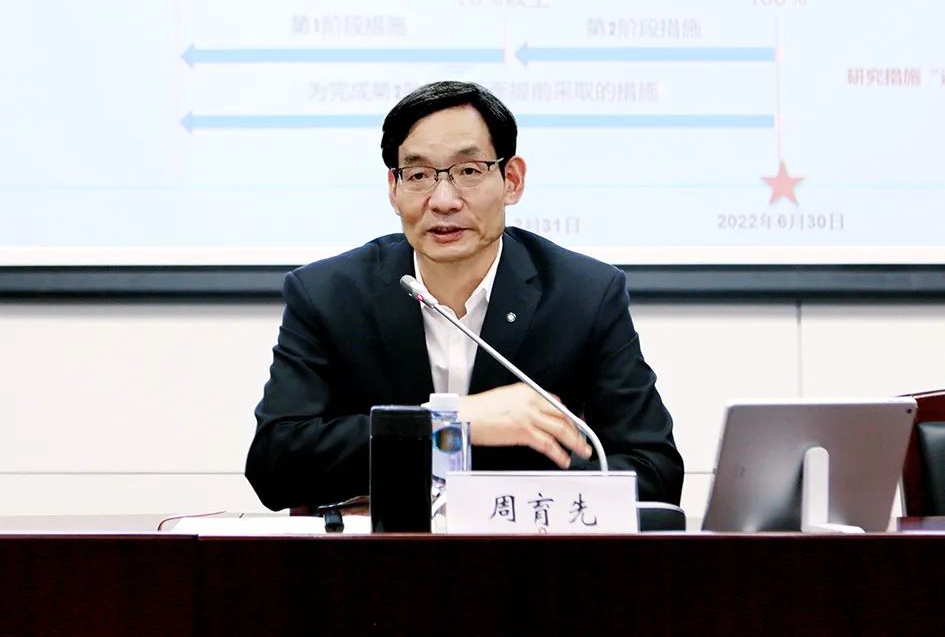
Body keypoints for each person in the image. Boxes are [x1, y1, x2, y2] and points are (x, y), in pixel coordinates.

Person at [246, 81, 683, 510]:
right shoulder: (329, 294)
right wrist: (451, 423)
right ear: (394, 189)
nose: (443, 200)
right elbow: (273, 463)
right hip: (383, 551)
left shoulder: (583, 295)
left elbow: (655, 472)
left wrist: (507, 505)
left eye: (469, 172)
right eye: (418, 175)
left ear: (512, 180)